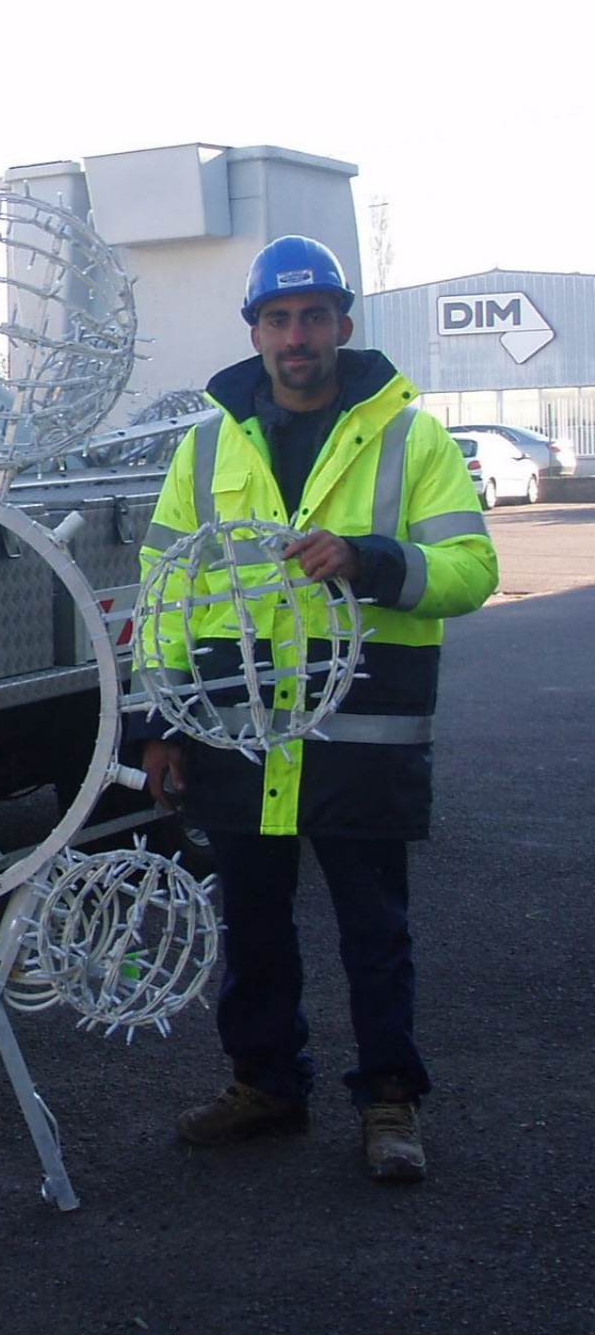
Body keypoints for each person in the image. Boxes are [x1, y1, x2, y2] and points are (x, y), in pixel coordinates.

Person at [132, 235, 498, 1181]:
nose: (296, 336)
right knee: (252, 929)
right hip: (239, 732)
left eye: (313, 317)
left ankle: (389, 1101)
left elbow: (472, 571)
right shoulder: (205, 445)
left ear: (342, 324)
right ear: (254, 331)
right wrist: (158, 723)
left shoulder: (410, 436)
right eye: (278, 319)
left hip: (360, 733)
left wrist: (368, 559)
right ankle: (266, 1085)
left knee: (374, 932)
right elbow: (163, 590)